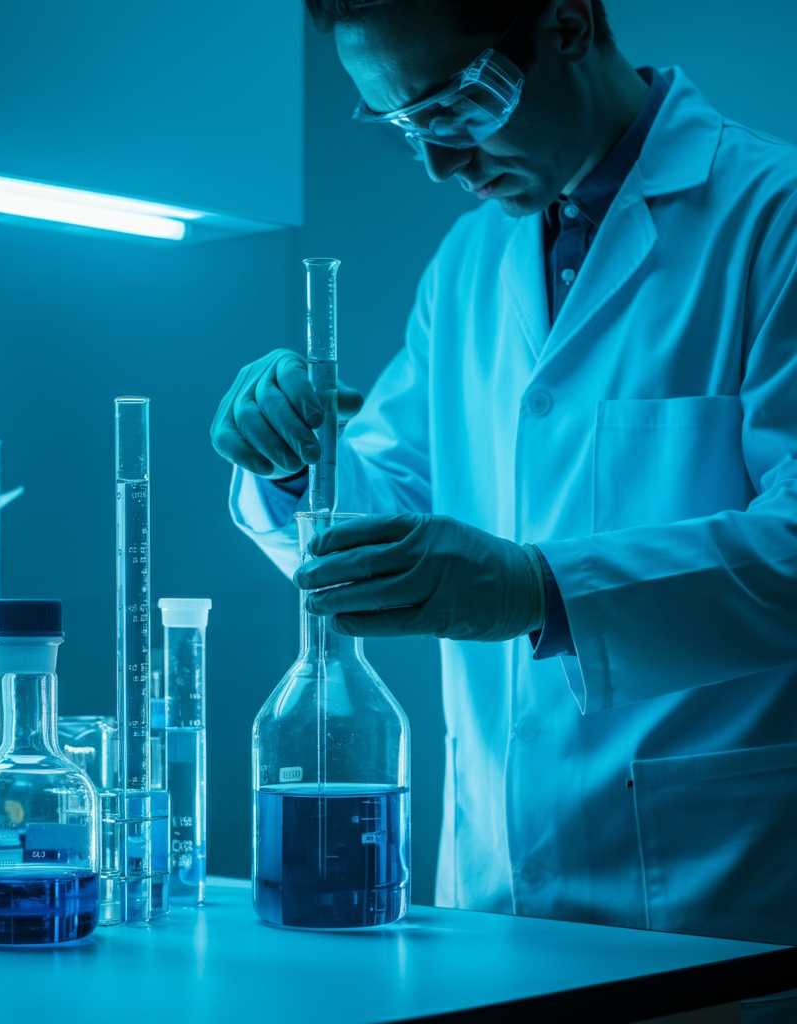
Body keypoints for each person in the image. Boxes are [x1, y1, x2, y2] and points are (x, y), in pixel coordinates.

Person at [212, 0, 796, 1011]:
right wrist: (299, 464)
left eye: (456, 105)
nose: (441, 162)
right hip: (491, 896)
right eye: (405, 126)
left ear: (567, 24)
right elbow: (387, 501)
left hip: (718, 899)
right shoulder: (470, 261)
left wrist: (539, 590)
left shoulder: (773, 219)